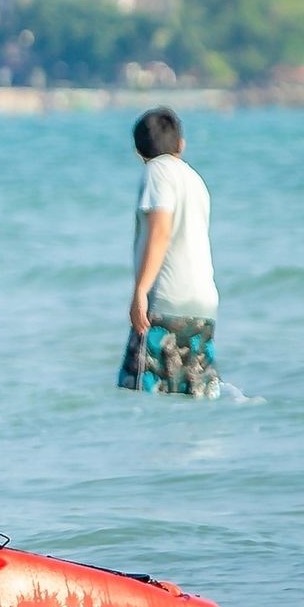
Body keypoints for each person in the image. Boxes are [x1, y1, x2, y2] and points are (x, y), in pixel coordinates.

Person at [119, 105, 219, 397]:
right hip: (203, 305)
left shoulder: (156, 171)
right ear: (181, 144)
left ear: (139, 151)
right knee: (194, 397)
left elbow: (160, 230)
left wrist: (140, 291)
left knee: (139, 395)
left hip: (166, 304)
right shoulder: (194, 180)